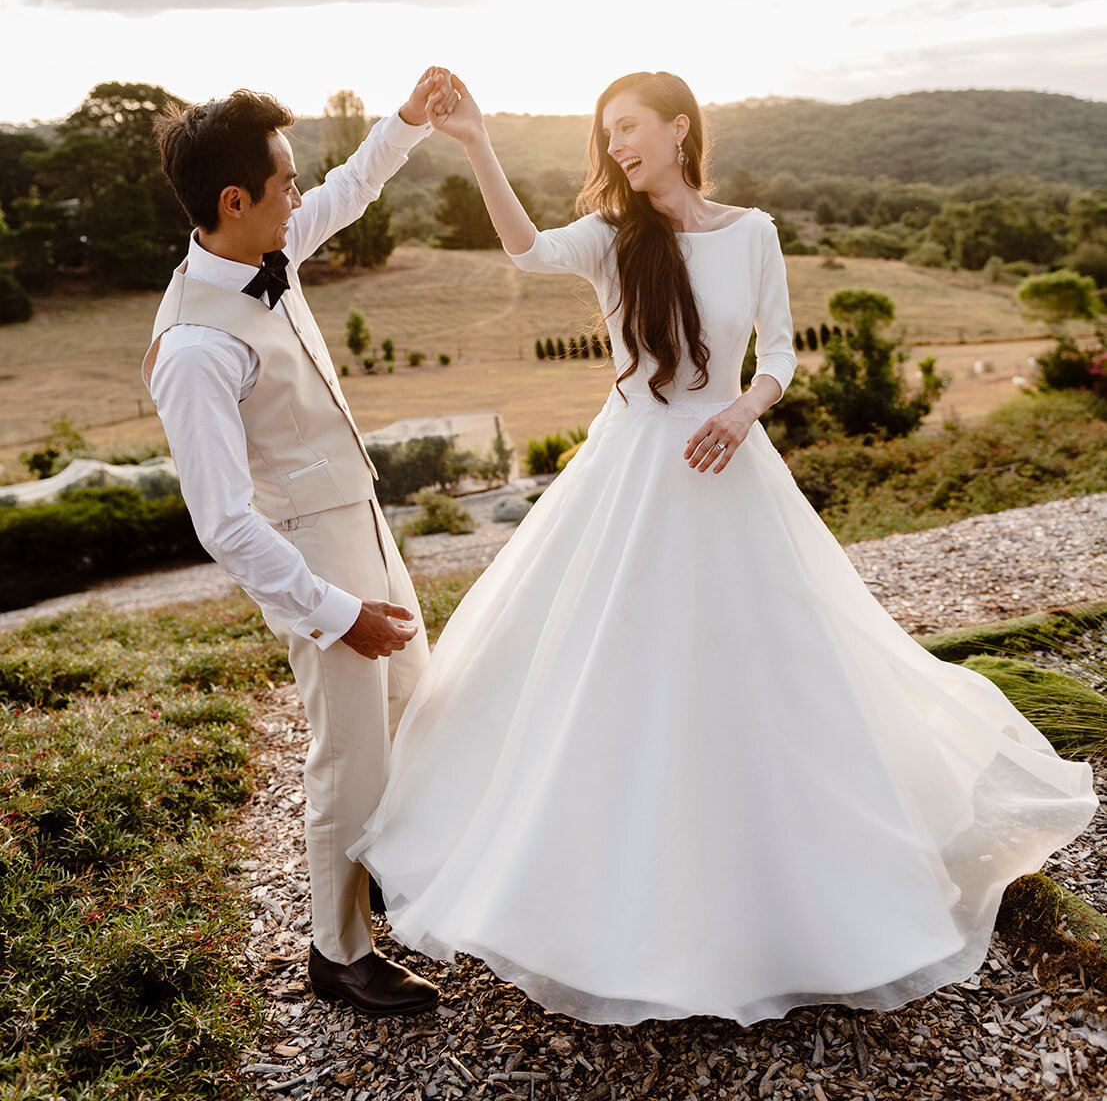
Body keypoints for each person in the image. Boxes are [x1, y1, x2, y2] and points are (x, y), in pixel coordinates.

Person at [347, 69, 1098, 1027]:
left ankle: (793, 876)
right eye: (605, 132)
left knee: (767, 663)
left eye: (629, 127)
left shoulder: (751, 231)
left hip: (728, 460)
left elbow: (780, 351)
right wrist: (477, 142)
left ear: (679, 128)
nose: (616, 144)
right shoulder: (618, 240)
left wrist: (745, 408)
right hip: (630, 471)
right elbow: (529, 252)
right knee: (610, 662)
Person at [144, 71, 459, 1017]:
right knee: (348, 755)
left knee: (413, 709)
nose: (300, 195)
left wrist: (405, 122)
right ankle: (338, 950)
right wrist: (335, 613)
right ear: (233, 202)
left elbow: (348, 190)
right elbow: (225, 522)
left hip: (359, 524)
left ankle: (396, 881)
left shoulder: (259, 247)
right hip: (311, 565)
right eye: (285, 183)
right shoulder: (196, 349)